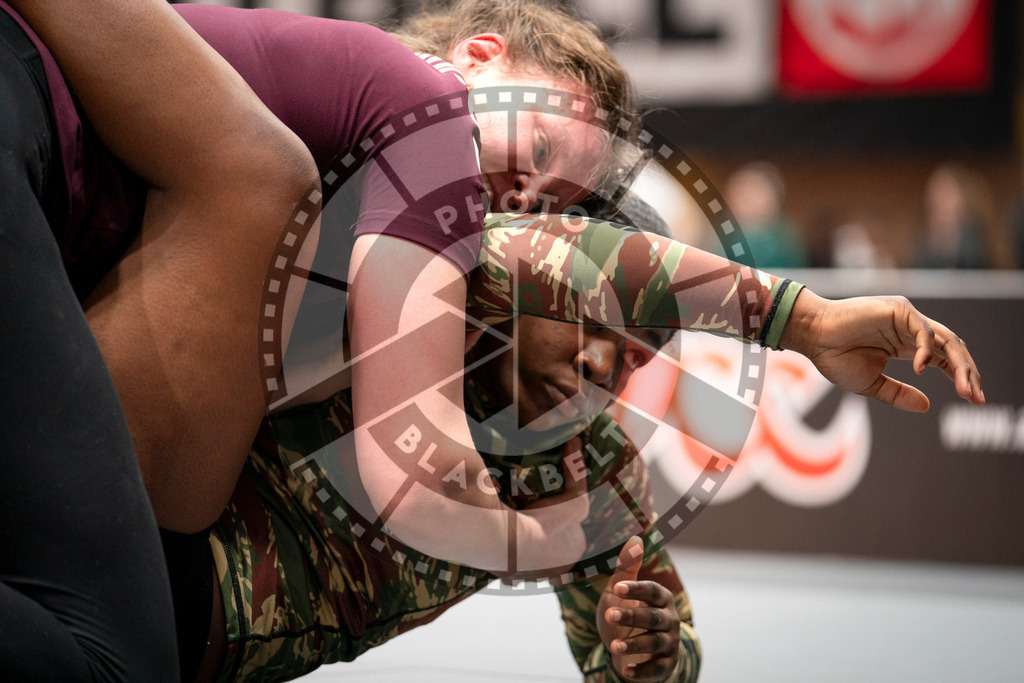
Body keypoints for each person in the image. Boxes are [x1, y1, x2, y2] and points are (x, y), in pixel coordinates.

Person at [201, 195, 700, 683]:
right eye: (589, 317)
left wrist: (651, 660)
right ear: (524, 277)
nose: (602, 365)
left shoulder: (594, 466)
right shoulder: (401, 309)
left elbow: (663, 646)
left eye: (636, 357)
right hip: (171, 577)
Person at [0, 0, 316, 680]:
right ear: (483, 52)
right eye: (541, 148)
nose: (529, 198)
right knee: (123, 660)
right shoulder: (432, 128)